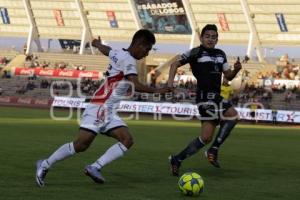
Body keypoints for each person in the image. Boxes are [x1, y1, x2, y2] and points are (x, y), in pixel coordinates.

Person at [35, 29, 171, 187]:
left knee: (127, 140)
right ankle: (44, 164)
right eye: (147, 49)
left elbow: (107, 50)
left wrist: (97, 43)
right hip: (100, 106)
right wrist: (158, 90)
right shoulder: (129, 61)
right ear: (139, 44)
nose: (146, 54)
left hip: (109, 109)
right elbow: (135, 84)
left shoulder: (118, 52)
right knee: (81, 145)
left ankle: (94, 167)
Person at [167, 24, 242, 176]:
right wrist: (170, 84)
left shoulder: (221, 54)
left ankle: (177, 159)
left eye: (213, 37)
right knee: (232, 115)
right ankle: (213, 150)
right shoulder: (196, 52)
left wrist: (236, 70)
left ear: (217, 39)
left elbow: (227, 76)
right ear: (201, 38)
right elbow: (174, 64)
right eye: (207, 36)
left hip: (216, 96)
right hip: (205, 97)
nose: (210, 39)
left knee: (206, 137)